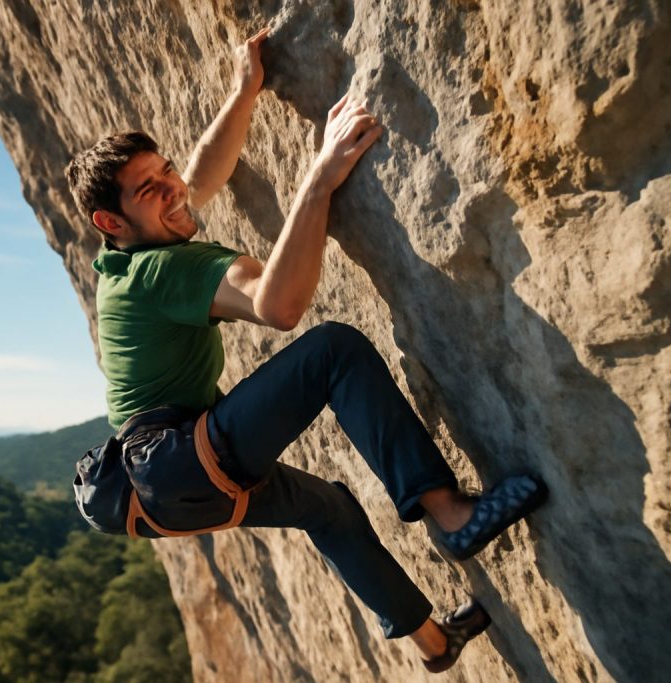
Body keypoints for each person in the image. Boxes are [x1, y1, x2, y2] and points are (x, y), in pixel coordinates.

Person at [66, 27, 547, 674]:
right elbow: (278, 305)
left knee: (332, 511)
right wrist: (319, 179)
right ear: (110, 220)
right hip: (177, 459)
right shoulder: (161, 271)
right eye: (150, 188)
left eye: (165, 171)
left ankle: (435, 642)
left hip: (160, 483)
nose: (173, 188)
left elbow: (203, 174)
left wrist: (245, 91)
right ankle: (451, 512)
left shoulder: (123, 253)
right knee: (333, 351)